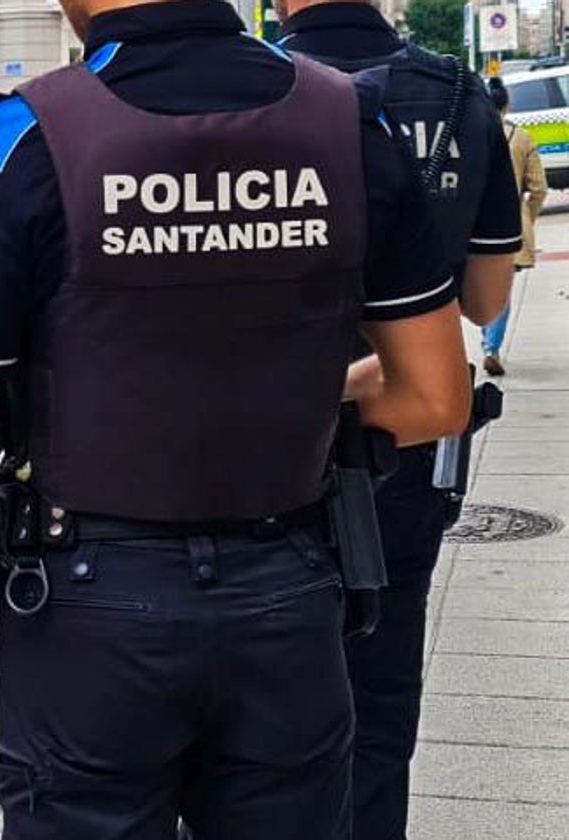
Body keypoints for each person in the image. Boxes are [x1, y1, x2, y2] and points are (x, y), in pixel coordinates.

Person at [0, 0, 471, 836]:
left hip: (91, 611)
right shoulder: (349, 119)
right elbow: (435, 398)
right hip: (291, 592)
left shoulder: (23, 138)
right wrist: (307, 398)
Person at [273, 4, 522, 840]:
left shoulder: (250, 88)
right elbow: (485, 301)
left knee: (250, 725)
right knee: (376, 719)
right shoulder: (455, 95)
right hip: (403, 442)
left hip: (258, 452)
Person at [482, 76, 547, 377]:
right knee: (501, 289)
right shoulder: (521, 138)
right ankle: (491, 347)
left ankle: (484, 342)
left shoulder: (468, 134)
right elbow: (539, 188)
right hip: (509, 225)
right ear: (507, 106)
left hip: (472, 225)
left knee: (471, 289)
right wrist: (527, 217)